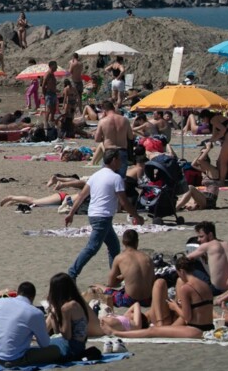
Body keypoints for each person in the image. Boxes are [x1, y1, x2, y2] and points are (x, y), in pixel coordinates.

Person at [66, 149, 144, 280]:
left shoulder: (95, 176)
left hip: (95, 216)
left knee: (114, 246)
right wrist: (137, 216)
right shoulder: (116, 177)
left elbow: (81, 196)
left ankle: (115, 276)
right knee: (92, 248)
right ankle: (72, 274)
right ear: (113, 160)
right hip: (102, 217)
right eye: (119, 159)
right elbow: (124, 201)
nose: (121, 162)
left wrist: (71, 213)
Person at [110, 257, 215, 339]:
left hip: (196, 329)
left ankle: (117, 333)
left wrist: (174, 307)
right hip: (209, 326)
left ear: (181, 271)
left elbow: (187, 317)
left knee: (152, 331)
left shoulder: (186, 288)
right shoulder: (204, 284)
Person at [0, 281, 61, 367]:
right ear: (32, 298)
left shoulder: (0, 302)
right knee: (55, 350)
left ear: (17, 293)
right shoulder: (35, 313)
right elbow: (44, 344)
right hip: (13, 360)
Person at [86, 229, 154, 310]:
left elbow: (111, 283)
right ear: (137, 241)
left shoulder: (120, 258)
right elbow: (152, 282)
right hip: (148, 300)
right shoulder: (147, 258)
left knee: (98, 286)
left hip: (130, 300)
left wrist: (122, 277)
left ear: (123, 242)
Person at [45, 273, 94, 361]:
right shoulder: (75, 302)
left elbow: (67, 335)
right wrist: (53, 314)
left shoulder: (67, 307)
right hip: (79, 345)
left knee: (39, 350)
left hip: (73, 347)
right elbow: (56, 331)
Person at [187, 221, 228, 295]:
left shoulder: (207, 245)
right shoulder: (227, 244)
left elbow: (187, 258)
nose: (198, 240)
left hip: (217, 290)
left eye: (201, 236)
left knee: (191, 264)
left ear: (210, 235)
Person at [94, 100, 131, 176]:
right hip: (122, 150)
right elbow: (130, 136)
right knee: (121, 179)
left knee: (106, 177)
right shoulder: (125, 120)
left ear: (104, 110)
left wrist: (106, 138)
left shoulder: (103, 121)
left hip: (109, 151)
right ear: (114, 109)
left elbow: (97, 139)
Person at [41, 61, 59, 127]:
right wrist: (44, 94)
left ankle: (51, 122)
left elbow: (51, 84)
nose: (56, 67)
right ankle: (45, 124)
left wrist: (56, 90)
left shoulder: (52, 74)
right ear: (51, 66)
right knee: (48, 110)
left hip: (53, 93)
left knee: (53, 109)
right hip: (49, 94)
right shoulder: (48, 74)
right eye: (55, 66)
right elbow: (43, 85)